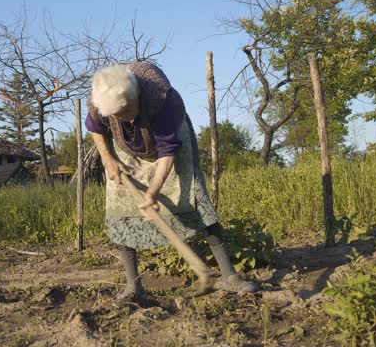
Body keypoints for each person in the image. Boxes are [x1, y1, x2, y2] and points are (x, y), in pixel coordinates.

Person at [86, 61, 259, 300]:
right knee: (120, 211)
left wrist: (152, 192)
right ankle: (133, 287)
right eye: (116, 116)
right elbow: (96, 127)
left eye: (126, 112)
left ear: (135, 97)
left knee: (196, 201)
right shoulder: (99, 97)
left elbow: (167, 151)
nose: (124, 119)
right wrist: (107, 159)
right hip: (126, 150)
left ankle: (229, 277)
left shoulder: (163, 99)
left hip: (171, 145)